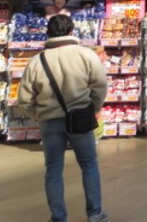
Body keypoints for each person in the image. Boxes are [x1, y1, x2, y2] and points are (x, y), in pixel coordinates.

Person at [18, 15, 109, 222]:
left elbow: (24, 99)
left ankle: (59, 217)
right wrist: (93, 107)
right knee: (89, 165)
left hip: (49, 122)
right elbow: (100, 85)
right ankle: (94, 214)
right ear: (71, 32)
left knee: (53, 170)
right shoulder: (86, 55)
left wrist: (40, 115)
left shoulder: (36, 61)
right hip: (80, 119)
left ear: (48, 33)